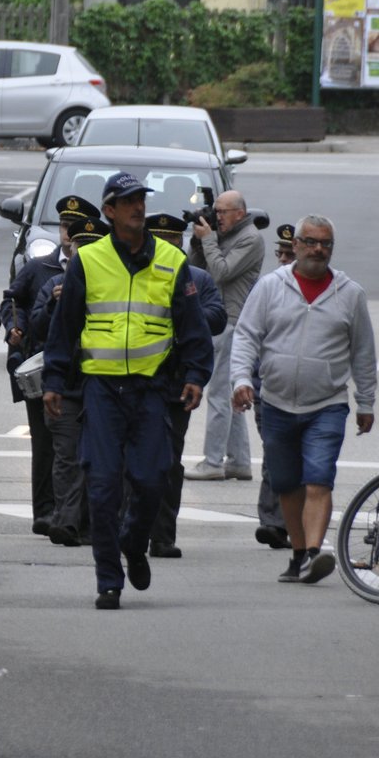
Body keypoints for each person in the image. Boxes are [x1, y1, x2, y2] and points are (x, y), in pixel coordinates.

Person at [41, 173, 214, 610]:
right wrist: (54, 381)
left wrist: (196, 374)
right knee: (102, 487)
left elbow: (193, 326)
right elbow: (65, 326)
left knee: (152, 478)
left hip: (153, 389)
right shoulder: (89, 260)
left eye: (141, 199)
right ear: (110, 212)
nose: (138, 206)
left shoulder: (172, 262)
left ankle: (134, 545)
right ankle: (108, 580)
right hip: (101, 390)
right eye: (128, 200)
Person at [230, 215, 377, 586]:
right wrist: (241, 380)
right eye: (310, 242)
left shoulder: (350, 294)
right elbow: (246, 335)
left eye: (325, 244)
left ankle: (314, 552)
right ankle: (298, 554)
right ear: (294, 245)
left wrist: (366, 401)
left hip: (326, 404)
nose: (318, 250)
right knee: (286, 484)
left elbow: (363, 351)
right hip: (276, 401)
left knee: (318, 480)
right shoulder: (269, 287)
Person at [2, 195, 98, 536]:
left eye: (74, 229)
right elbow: (13, 301)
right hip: (45, 365)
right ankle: (46, 512)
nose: (67, 234)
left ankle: (73, 514)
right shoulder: (41, 268)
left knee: (77, 449)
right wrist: (15, 327)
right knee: (46, 447)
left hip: (89, 371)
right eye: (63, 226)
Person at [143, 213, 227, 559]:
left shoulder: (198, 279)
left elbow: (217, 318)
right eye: (160, 241)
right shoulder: (135, 275)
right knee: (125, 461)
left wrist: (183, 312)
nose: (167, 247)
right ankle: (123, 529)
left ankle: (162, 536)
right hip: (134, 380)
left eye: (173, 241)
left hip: (176, 384)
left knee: (168, 461)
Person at [26, 214, 110, 548]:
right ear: (70, 250)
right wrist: (53, 305)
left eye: (91, 246)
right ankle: (66, 521)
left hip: (103, 384)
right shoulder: (53, 284)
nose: (83, 253)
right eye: (79, 246)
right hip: (65, 385)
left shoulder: (111, 284)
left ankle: (88, 523)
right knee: (65, 457)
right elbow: (37, 330)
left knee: (98, 459)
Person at [185, 188, 264, 482]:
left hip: (233, 322)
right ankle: (240, 461)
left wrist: (208, 240)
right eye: (214, 212)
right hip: (223, 321)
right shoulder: (224, 236)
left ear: (240, 213)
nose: (216, 217)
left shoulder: (250, 238)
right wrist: (198, 242)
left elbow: (220, 272)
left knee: (218, 393)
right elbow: (196, 270)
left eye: (222, 212)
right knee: (230, 395)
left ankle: (213, 461)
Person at [253, 224, 295, 551]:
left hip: (309, 392)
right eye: (279, 253)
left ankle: (281, 521)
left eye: (289, 254)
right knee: (273, 454)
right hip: (268, 389)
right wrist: (248, 383)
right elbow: (249, 338)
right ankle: (273, 522)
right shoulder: (267, 289)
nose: (282, 259)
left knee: (302, 462)